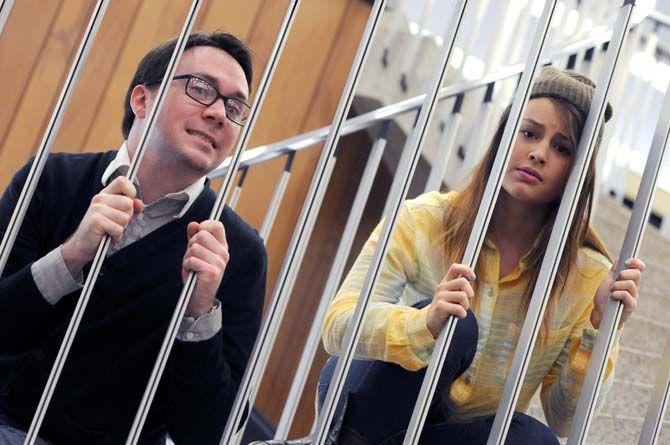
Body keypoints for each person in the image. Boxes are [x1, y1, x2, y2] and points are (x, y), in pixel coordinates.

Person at [258, 68, 647, 445]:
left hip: (449, 435)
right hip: (368, 415)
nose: (539, 153)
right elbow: (337, 326)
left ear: (577, 171)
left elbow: (564, 420)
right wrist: (424, 324)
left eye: (562, 148)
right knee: (455, 327)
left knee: (536, 439)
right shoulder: (424, 219)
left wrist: (601, 329)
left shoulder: (587, 274)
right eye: (528, 134)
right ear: (503, 139)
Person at [0, 32, 267, 445]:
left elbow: (208, 431)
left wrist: (198, 316)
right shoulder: (49, 181)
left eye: (234, 107)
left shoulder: (237, 251)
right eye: (201, 89)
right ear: (141, 100)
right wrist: (71, 256)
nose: (218, 113)